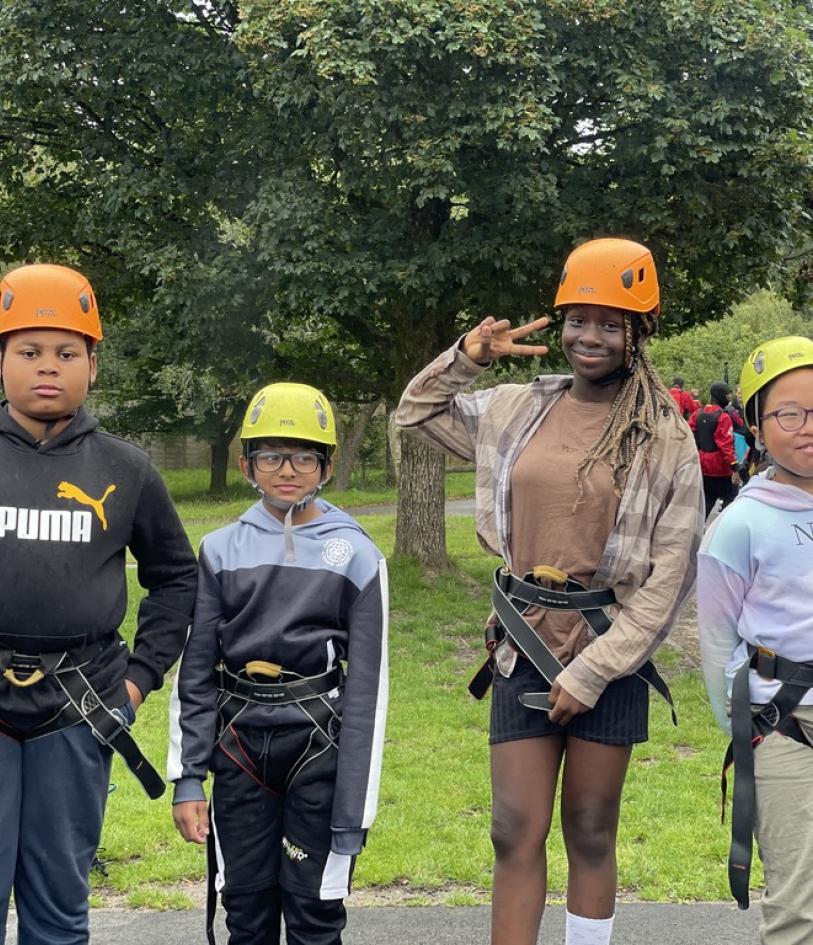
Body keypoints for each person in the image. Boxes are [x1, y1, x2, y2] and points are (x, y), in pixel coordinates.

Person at [396, 238, 704, 945]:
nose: (587, 336)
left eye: (609, 322)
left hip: (609, 649)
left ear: (638, 333)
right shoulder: (513, 408)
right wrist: (467, 356)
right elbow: (415, 412)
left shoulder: (663, 437)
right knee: (512, 828)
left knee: (590, 828)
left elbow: (668, 577)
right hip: (522, 647)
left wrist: (594, 671)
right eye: (576, 319)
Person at [0, 263, 197, 945]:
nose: (46, 367)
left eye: (66, 352)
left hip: (77, 707)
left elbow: (176, 577)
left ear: (93, 363)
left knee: (58, 912)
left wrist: (138, 683)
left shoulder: (126, 468)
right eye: (28, 351)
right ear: (2, 360)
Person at [169, 382, 389, 945]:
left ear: (326, 465)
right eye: (269, 456)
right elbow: (195, 671)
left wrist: (352, 813)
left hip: (318, 751)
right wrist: (189, 778)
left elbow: (368, 691)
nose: (285, 470)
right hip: (240, 748)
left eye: (303, 457)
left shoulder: (358, 556)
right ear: (246, 462)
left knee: (313, 914)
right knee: (245, 911)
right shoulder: (219, 550)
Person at [697, 336, 813, 941]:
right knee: (797, 904)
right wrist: (745, 734)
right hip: (785, 723)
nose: (807, 427)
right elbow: (716, 639)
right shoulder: (742, 522)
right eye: (789, 413)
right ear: (757, 426)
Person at [689, 381, 741, 517]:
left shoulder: (697, 414)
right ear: (720, 396)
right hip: (720, 467)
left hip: (702, 463)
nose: (729, 399)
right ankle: (722, 525)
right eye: (727, 395)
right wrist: (735, 468)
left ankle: (698, 530)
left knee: (706, 499)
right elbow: (726, 445)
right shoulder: (723, 417)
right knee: (732, 497)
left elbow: (689, 435)